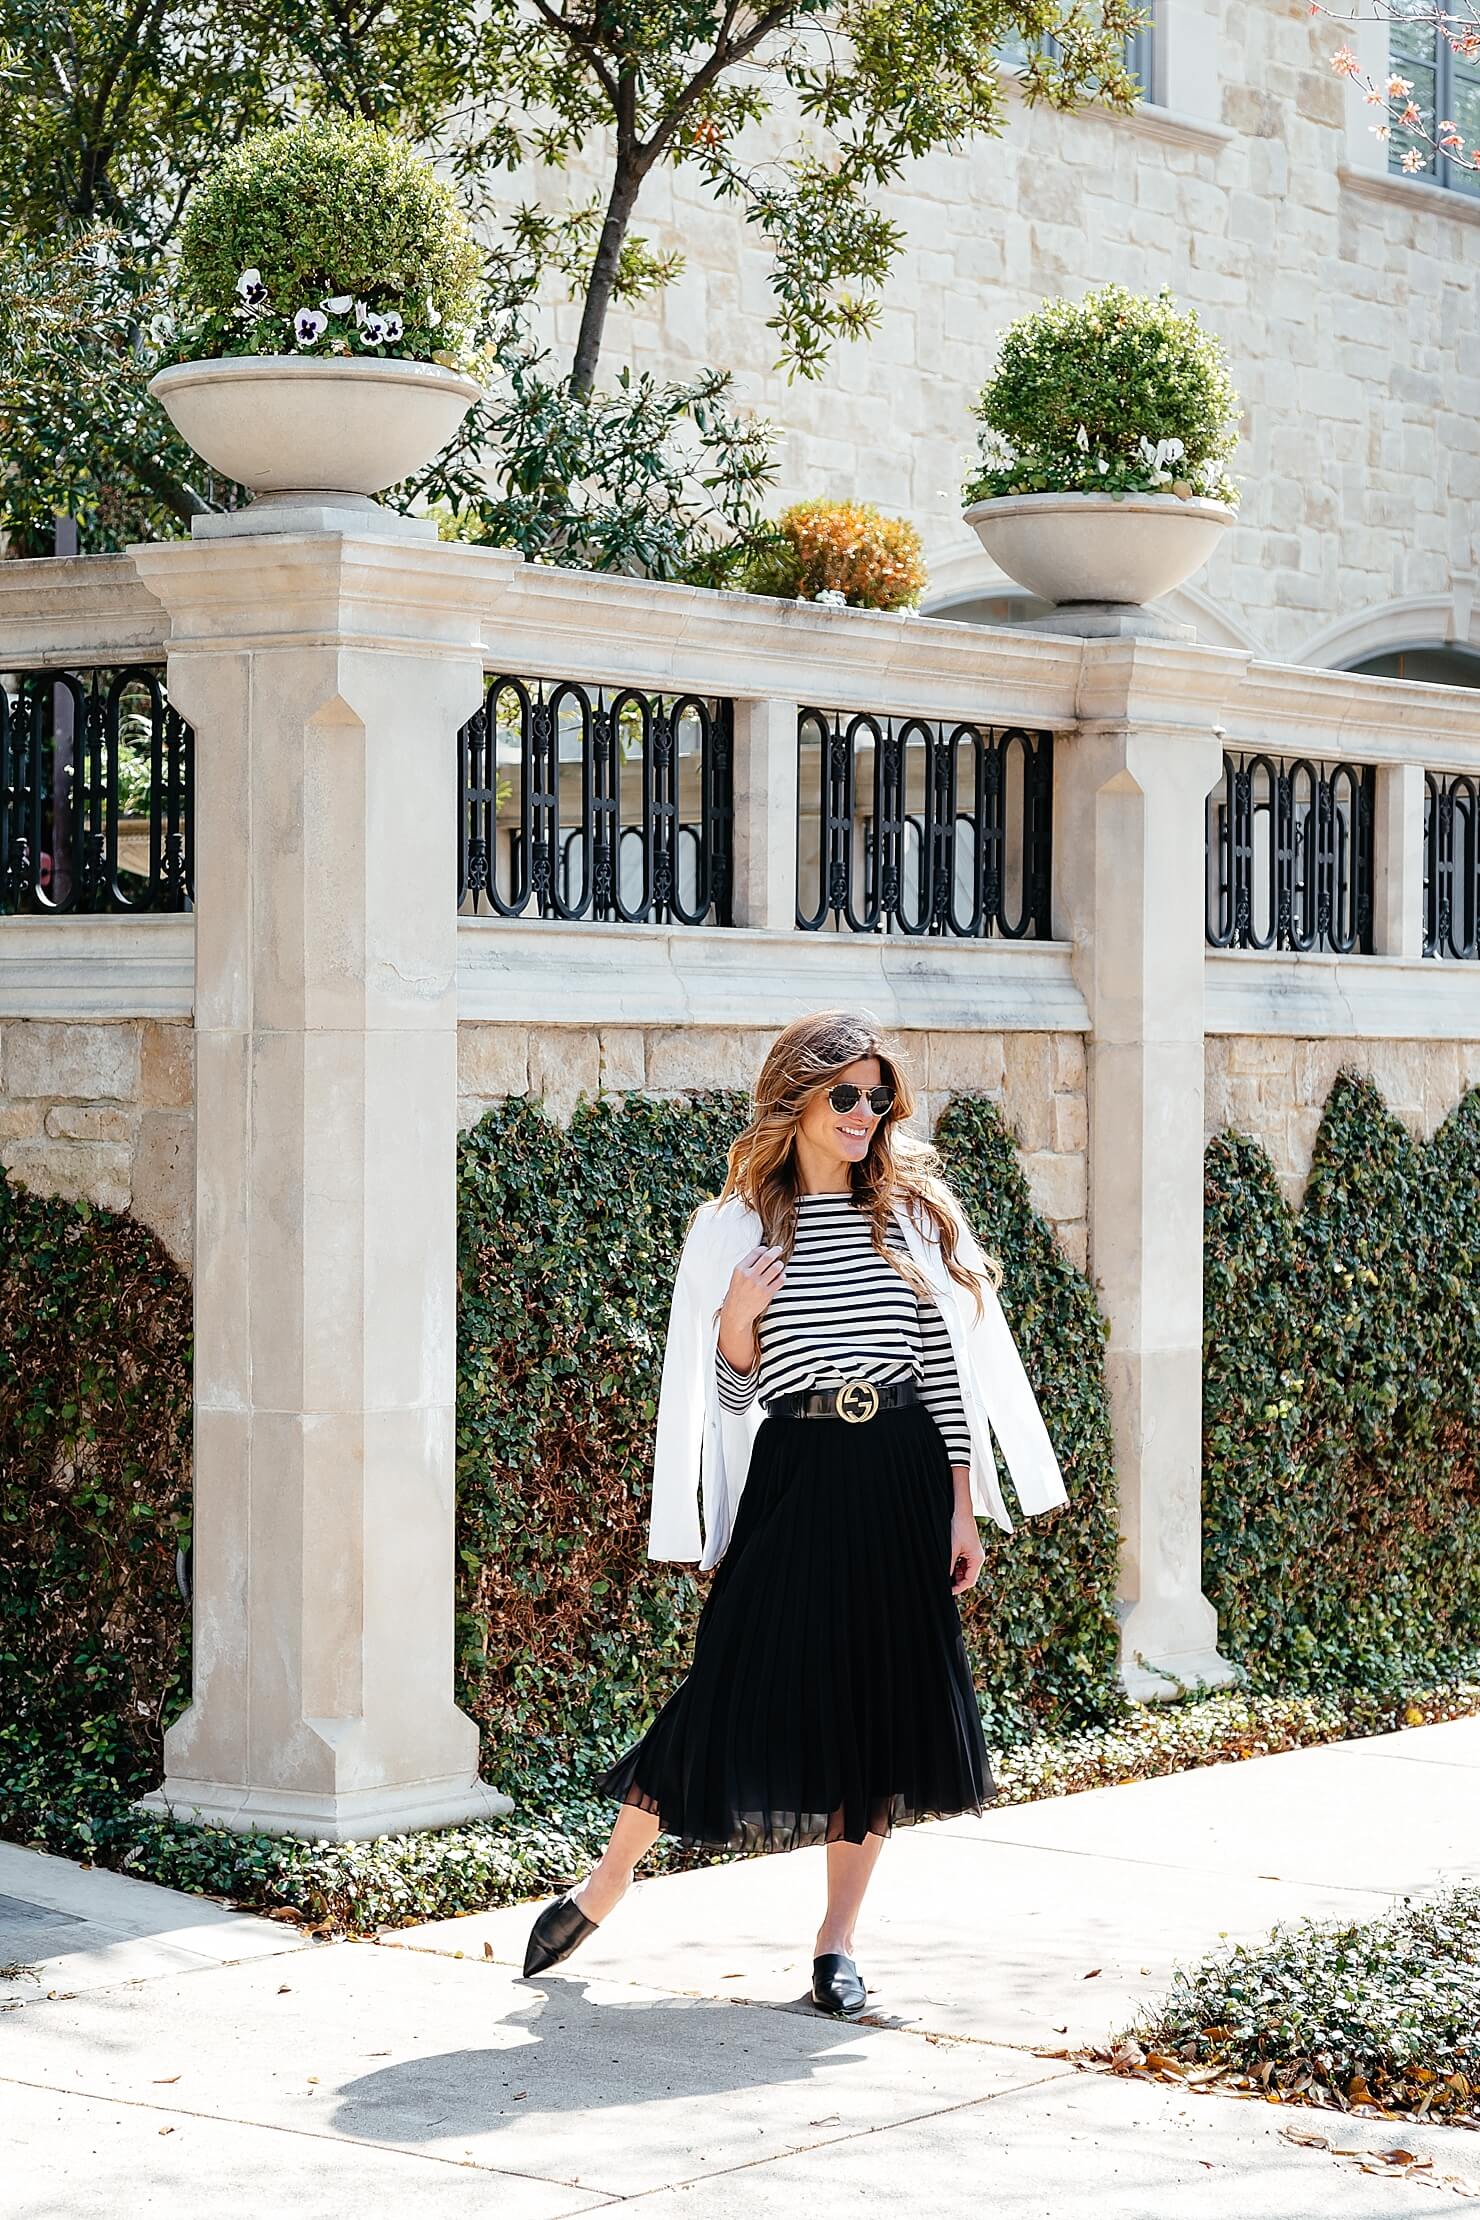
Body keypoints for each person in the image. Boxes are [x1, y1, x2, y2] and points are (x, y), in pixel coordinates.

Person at [522, 1008, 1069, 2016]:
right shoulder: (736, 1229)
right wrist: (735, 1327)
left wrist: (961, 1505)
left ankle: (835, 1945)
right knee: (726, 1681)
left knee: (880, 1710)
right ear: (799, 1100)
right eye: (847, 1096)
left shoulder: (911, 1217)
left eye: (879, 1098)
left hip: (901, 1470)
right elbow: (727, 1404)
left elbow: (941, 1372)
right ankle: (604, 1887)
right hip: (795, 1469)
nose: (867, 1115)